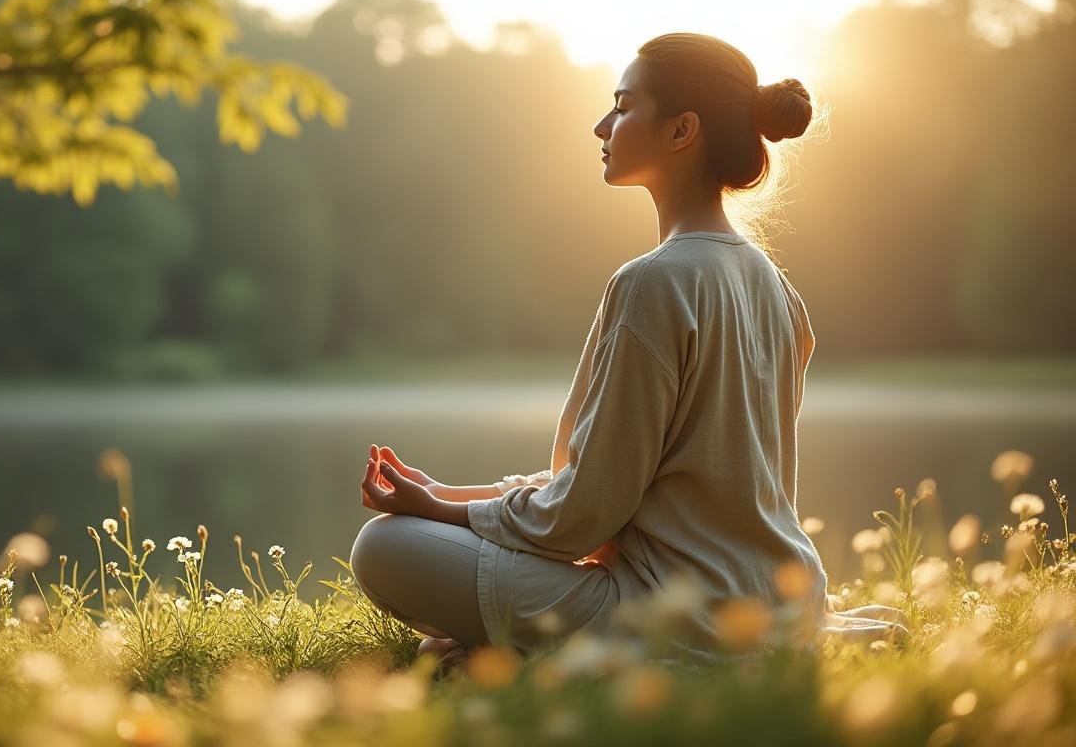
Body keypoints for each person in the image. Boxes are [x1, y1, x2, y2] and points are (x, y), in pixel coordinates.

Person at [349, 32, 905, 664]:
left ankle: (599, 659)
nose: (600, 125)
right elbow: (625, 486)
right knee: (431, 546)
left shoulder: (654, 283)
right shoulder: (775, 286)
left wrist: (448, 517)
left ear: (681, 130)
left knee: (384, 548)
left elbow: (584, 514)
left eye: (622, 105)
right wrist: (446, 496)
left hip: (680, 614)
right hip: (779, 596)